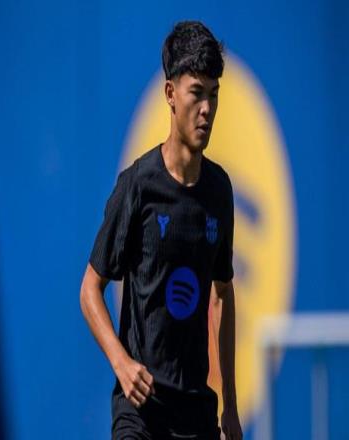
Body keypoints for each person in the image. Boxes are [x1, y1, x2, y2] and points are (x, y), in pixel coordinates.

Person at [80, 21, 243, 440]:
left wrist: (230, 404)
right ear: (171, 94)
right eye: (196, 93)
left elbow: (222, 294)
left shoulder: (219, 190)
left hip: (197, 413)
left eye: (213, 94)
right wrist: (121, 362)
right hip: (141, 414)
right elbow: (90, 289)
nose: (206, 109)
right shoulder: (137, 185)